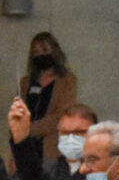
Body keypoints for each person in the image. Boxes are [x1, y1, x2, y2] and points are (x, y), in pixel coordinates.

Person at [6, 99, 98, 180]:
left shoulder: (103, 173)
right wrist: (21, 138)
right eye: (65, 132)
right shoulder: (48, 168)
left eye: (79, 132)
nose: (71, 138)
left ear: (96, 133)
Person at [19, 32, 80, 160]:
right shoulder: (25, 82)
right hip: (25, 146)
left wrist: (30, 130)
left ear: (55, 52)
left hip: (51, 147)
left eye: (45, 50)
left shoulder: (67, 81)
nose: (41, 55)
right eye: (36, 52)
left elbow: (62, 115)